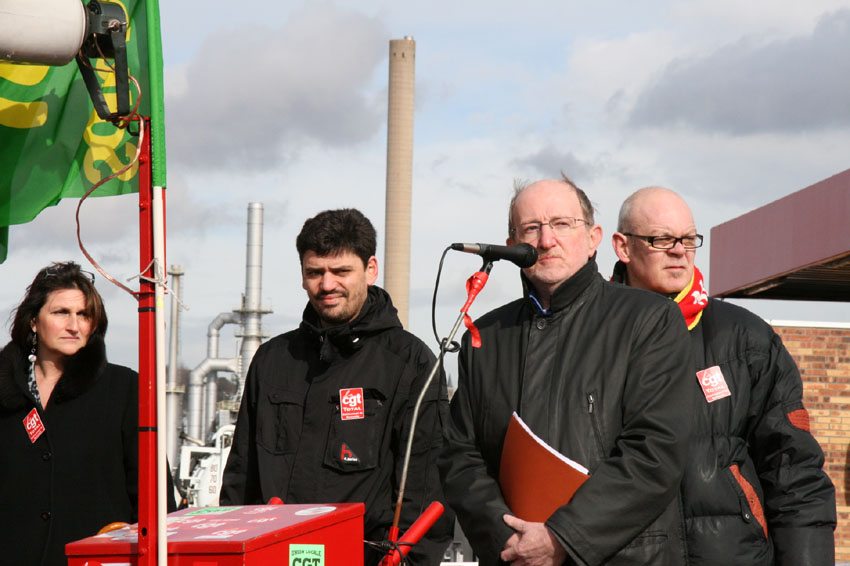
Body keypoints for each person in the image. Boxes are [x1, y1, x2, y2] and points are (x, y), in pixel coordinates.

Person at [439, 176, 694, 566]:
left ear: (593, 238)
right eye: (532, 228)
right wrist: (509, 539)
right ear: (512, 247)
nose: (546, 240)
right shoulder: (485, 337)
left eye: (561, 224)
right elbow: (460, 458)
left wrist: (563, 538)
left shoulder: (649, 320)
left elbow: (655, 452)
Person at [611, 186, 837, 565]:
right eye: (661, 239)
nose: (679, 250)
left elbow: (795, 473)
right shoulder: (594, 339)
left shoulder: (747, 339)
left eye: (687, 239)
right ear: (623, 247)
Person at [220, 208, 454, 565]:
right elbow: (241, 478)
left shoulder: (411, 363)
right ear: (302, 276)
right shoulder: (272, 361)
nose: (327, 285)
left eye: (341, 271)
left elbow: (426, 491)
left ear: (370, 270)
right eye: (315, 272)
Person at [0, 262, 139, 566]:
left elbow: (152, 499)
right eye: (61, 312)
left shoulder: (124, 388)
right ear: (34, 321)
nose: (74, 325)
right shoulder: (4, 391)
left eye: (84, 315)